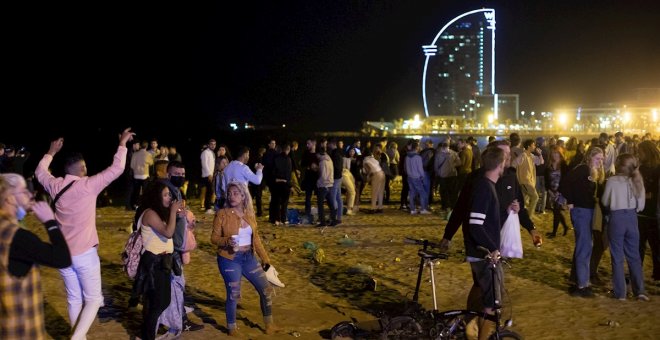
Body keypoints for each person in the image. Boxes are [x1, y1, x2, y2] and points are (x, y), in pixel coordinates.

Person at [34, 128, 134, 339]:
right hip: (83, 254)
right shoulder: (88, 186)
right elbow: (117, 168)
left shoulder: (55, 185)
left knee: (74, 299)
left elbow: (40, 172)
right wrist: (122, 144)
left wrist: (50, 152)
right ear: (82, 168)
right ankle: (77, 337)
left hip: (61, 253)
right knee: (94, 299)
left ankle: (78, 335)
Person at [0, 174, 71, 340]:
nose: (30, 194)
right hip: (21, 330)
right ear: (10, 198)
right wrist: (50, 222)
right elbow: (62, 259)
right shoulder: (18, 237)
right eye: (24, 191)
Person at [211, 182, 276, 336]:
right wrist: (226, 241)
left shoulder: (249, 214)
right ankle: (231, 328)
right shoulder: (222, 214)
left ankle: (269, 324)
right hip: (229, 259)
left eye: (235, 193)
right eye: (229, 193)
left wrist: (265, 258)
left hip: (248, 258)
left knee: (265, 289)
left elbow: (257, 239)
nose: (231, 196)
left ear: (243, 195)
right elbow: (213, 238)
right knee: (234, 293)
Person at [463, 147, 506, 340]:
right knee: (492, 303)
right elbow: (475, 224)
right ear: (501, 165)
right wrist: (493, 248)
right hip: (483, 255)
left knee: (487, 298)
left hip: (482, 253)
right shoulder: (484, 187)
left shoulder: (485, 185)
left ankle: (472, 326)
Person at [133, 182, 181, 340]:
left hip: (162, 261)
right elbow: (168, 233)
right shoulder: (150, 214)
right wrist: (173, 212)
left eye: (169, 195)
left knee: (159, 302)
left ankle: (146, 334)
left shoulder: (159, 212)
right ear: (156, 196)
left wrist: (176, 214)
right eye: (166, 195)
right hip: (154, 263)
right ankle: (147, 336)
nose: (169, 198)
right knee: (158, 303)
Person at [601, 154, 649, 301]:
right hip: (632, 218)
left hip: (617, 218)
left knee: (617, 257)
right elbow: (641, 206)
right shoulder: (638, 180)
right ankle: (640, 291)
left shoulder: (613, 181)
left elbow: (604, 201)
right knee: (634, 256)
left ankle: (620, 293)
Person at [560, 147, 605, 297]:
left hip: (588, 211)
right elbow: (564, 182)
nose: (600, 162)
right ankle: (582, 285)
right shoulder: (583, 169)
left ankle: (578, 280)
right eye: (597, 158)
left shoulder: (593, 171)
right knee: (584, 247)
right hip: (581, 211)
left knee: (584, 246)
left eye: (602, 159)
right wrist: (571, 201)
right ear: (590, 157)